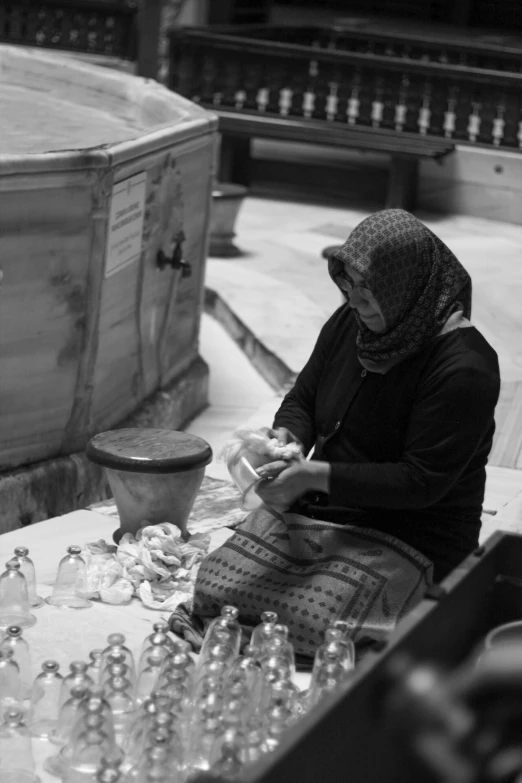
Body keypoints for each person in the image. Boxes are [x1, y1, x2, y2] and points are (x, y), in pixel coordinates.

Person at [255, 209, 501, 583]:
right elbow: (303, 398)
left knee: (305, 615)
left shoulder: (465, 368)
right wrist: (288, 437)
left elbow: (419, 482)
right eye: (348, 285)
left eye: (368, 292)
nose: (354, 302)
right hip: (329, 513)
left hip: (412, 535)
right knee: (223, 581)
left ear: (405, 288)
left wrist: (314, 476)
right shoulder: (352, 325)